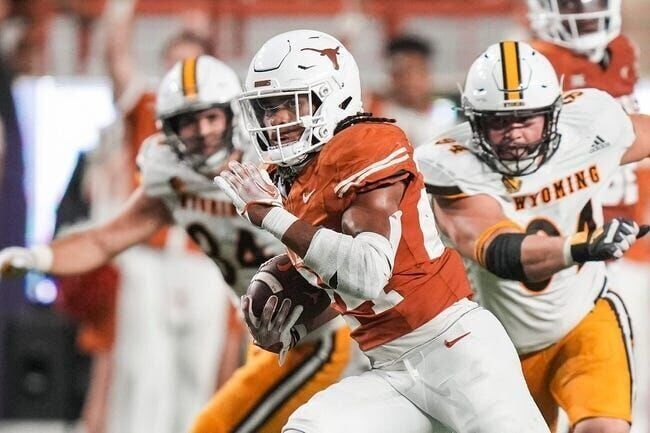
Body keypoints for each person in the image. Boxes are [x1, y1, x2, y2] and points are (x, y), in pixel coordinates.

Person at [216, 29, 549, 433]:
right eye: (268, 108)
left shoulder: (365, 144)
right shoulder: (285, 178)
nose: (276, 120)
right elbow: (341, 285)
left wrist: (270, 216)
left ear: (331, 96)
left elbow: (369, 272)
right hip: (390, 367)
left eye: (290, 104)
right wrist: (290, 327)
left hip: (456, 352)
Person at [0, 54, 355, 433]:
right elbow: (106, 240)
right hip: (275, 335)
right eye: (188, 121)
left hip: (317, 330)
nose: (202, 131)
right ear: (169, 130)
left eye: (210, 117)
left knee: (218, 426)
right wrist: (37, 256)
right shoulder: (173, 176)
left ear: (233, 116)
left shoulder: (275, 164)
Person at [414, 41, 650, 433]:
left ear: (554, 114)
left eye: (526, 119)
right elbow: (501, 252)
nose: (514, 134)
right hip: (496, 347)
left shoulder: (591, 124)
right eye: (498, 121)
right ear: (474, 120)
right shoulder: (451, 163)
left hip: (585, 317)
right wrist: (583, 246)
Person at [527, 2, 650, 430]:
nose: (582, 10)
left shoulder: (621, 50)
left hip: (632, 229)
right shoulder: (538, 61)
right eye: (570, 3)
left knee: (633, 369)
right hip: (579, 237)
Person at [366, 34, 457, 147]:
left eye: (417, 71)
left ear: (427, 73)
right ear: (392, 75)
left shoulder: (445, 114)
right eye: (403, 73)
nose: (410, 81)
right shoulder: (376, 111)